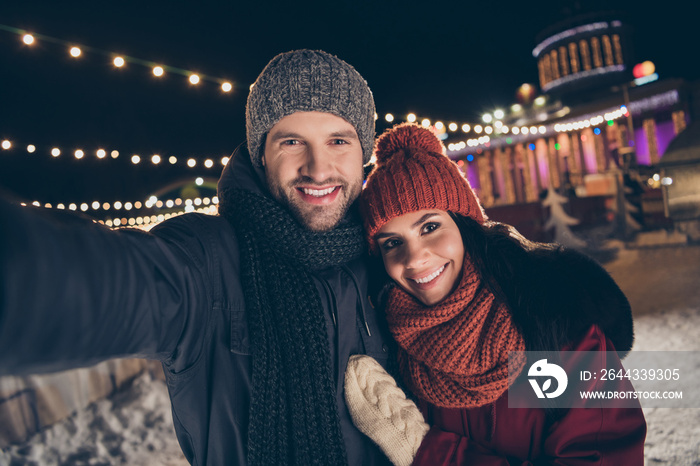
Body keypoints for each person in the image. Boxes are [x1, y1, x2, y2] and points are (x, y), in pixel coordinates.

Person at [0, 49, 395, 465]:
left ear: (363, 152)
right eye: (292, 142)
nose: (317, 168)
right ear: (262, 154)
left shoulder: (389, 259)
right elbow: (95, 283)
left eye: (338, 141)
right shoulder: (207, 260)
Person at [344, 123, 647, 465]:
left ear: (466, 225)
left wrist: (423, 449)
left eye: (430, 227)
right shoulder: (391, 340)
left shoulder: (553, 321)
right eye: (392, 243)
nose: (414, 259)